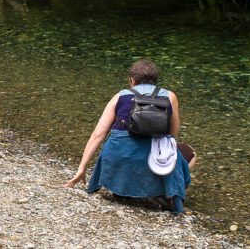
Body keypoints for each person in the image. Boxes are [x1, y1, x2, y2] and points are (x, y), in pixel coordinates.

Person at [65, 59, 193, 213]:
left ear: (132, 80)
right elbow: (173, 133)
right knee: (189, 152)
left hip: (118, 161)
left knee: (124, 146)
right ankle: (162, 191)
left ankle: (123, 187)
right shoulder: (170, 96)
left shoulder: (119, 96)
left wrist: (82, 168)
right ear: (156, 81)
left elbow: (98, 135)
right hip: (154, 163)